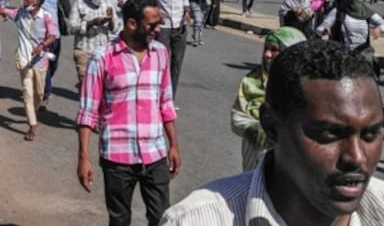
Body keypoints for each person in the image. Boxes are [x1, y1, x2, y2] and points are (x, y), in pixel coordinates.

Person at [162, 40, 384, 225]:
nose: (356, 157)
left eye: (370, 135)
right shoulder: (195, 220)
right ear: (271, 126)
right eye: (330, 134)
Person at [77, 0, 180, 226]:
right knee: (120, 219)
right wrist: (83, 157)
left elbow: (165, 102)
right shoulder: (102, 59)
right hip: (117, 156)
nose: (158, 29)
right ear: (132, 24)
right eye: (153, 25)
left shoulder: (161, 54)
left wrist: (173, 144)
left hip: (155, 153)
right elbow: (88, 112)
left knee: (162, 217)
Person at [230, 27, 307, 171]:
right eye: (266, 48)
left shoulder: (309, 86)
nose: (267, 54)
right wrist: (257, 129)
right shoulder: (253, 81)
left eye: (274, 49)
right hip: (254, 157)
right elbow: (237, 117)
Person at [0, 0, 56, 141]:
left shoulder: (46, 17)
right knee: (27, 93)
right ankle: (32, 125)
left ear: (37, 1)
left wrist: (42, 46)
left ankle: (34, 111)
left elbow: (52, 36)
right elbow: (1, 11)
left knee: (38, 94)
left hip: (40, 61)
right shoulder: (19, 13)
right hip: (24, 60)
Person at [148, 0, 190, 98]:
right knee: (162, 61)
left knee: (177, 62)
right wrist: (157, 12)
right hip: (163, 26)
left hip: (179, 25)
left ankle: (170, 97)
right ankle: (158, 93)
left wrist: (186, 12)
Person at [317, 0, 384, 65]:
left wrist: (380, 28)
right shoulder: (337, 12)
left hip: (363, 53)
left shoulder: (365, 11)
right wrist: (325, 30)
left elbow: (382, 23)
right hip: (342, 55)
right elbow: (319, 29)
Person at [68, 0, 117, 89]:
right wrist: (92, 22)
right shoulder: (79, 4)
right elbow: (71, 28)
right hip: (84, 50)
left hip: (103, 51)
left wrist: (110, 20)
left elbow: (114, 28)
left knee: (103, 86)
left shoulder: (107, 4)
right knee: (88, 87)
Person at [35, 0, 71, 110]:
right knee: (46, 64)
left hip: (55, 34)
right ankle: (45, 95)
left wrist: (73, 20)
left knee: (53, 63)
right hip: (41, 36)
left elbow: (67, 7)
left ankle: (45, 83)